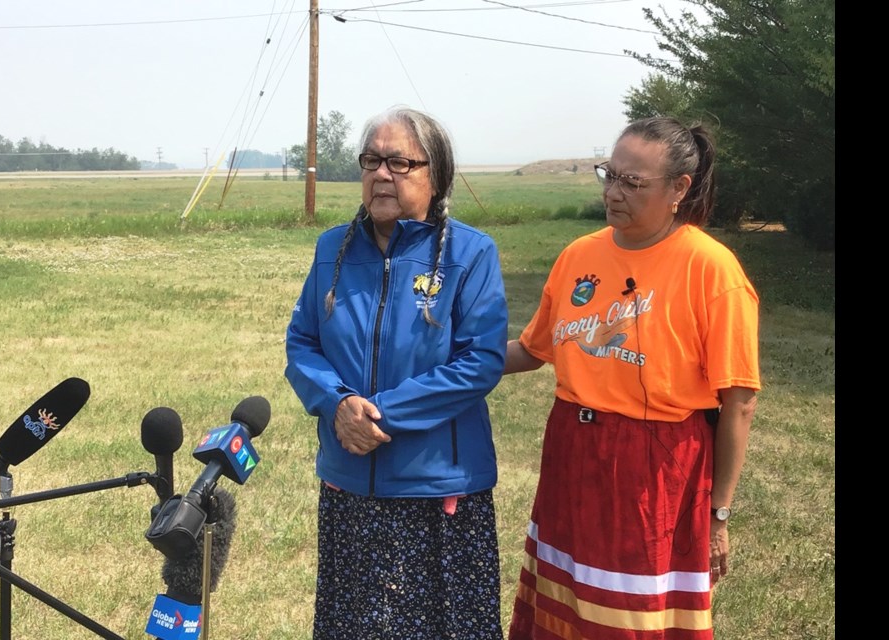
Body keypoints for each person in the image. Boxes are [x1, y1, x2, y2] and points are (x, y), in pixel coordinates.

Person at [503, 116, 760, 640]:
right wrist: (441, 356)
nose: (613, 193)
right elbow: (533, 350)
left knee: (630, 613)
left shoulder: (711, 270)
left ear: (678, 189)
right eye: (609, 175)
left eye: (632, 182)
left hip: (654, 464)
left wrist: (720, 514)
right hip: (572, 449)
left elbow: (738, 403)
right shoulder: (580, 255)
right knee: (566, 601)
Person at [284, 106, 509, 640]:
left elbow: (480, 360)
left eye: (399, 162)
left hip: (436, 490)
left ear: (437, 176)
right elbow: (303, 342)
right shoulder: (331, 250)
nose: (381, 174)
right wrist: (337, 403)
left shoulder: (471, 253)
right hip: (349, 483)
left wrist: (380, 415)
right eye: (371, 160)